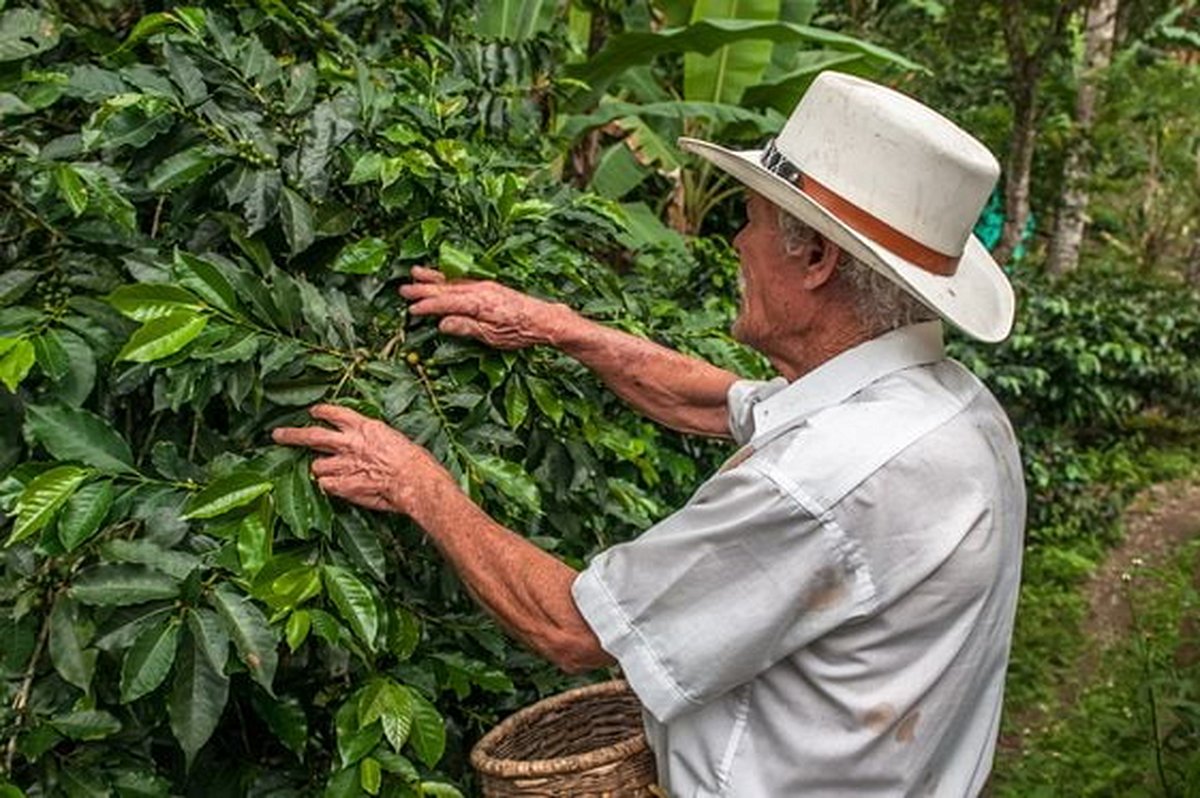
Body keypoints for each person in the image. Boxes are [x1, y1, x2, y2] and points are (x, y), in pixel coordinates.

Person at [273, 72, 1026, 796]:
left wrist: (417, 483)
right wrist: (564, 330)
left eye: (752, 223)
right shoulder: (949, 407)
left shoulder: (823, 479)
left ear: (818, 260)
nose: (736, 243)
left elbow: (572, 627)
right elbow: (718, 401)